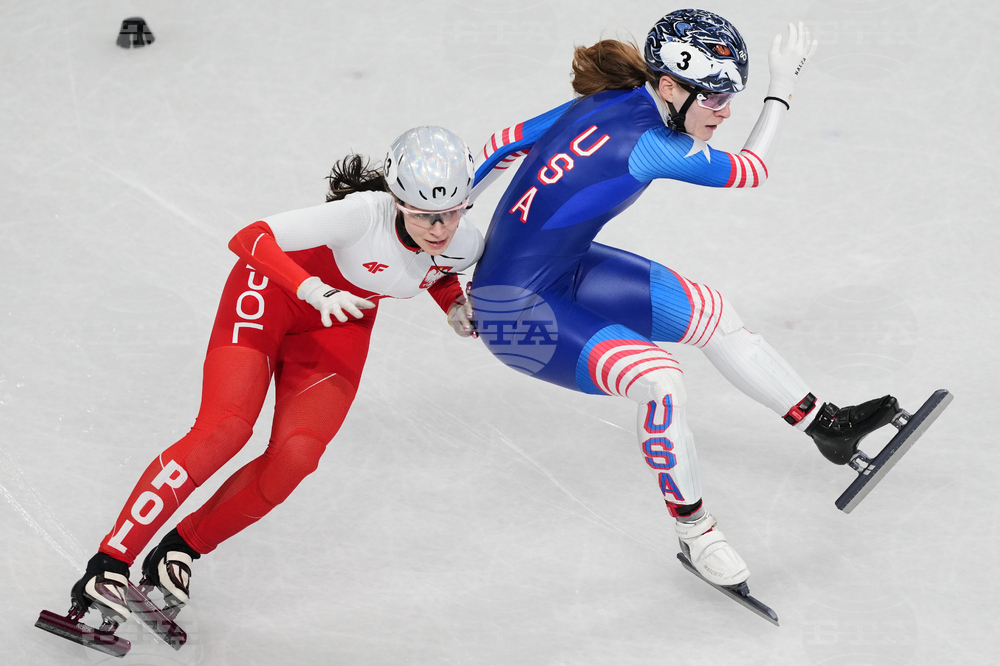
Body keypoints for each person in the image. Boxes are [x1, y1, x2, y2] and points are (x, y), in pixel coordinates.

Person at [469, 9, 900, 590]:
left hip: (562, 270)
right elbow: (751, 169)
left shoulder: (608, 100)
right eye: (715, 97)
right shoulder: (650, 143)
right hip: (513, 313)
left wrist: (444, 216)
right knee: (659, 377)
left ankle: (828, 427)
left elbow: (503, 144)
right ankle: (697, 533)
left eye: (732, 97)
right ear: (670, 87)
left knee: (714, 314)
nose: (725, 112)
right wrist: (782, 87)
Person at [67, 126, 483, 629]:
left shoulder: (463, 241)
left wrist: (453, 304)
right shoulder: (360, 215)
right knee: (226, 428)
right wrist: (312, 289)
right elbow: (248, 238)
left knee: (296, 456)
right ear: (396, 200)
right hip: (273, 294)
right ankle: (109, 563)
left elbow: (435, 268)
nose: (438, 228)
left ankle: (181, 548)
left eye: (451, 213)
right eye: (421, 216)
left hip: (339, 321)